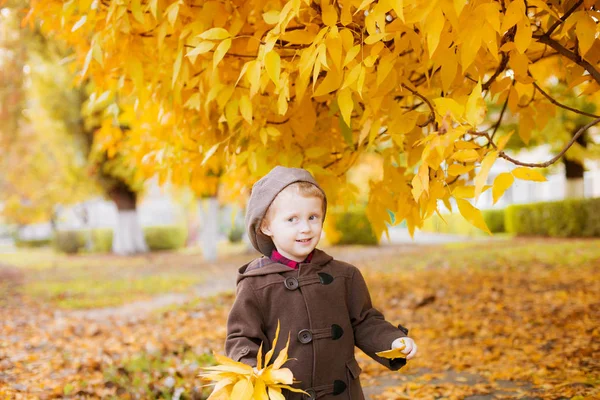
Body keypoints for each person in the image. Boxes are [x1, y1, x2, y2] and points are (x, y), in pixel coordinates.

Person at [225, 166, 417, 400]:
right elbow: (242, 337)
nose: (305, 228)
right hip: (285, 394)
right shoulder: (255, 285)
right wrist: (248, 368)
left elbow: (365, 321)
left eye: (313, 217)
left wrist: (392, 340)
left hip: (341, 393)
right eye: (292, 219)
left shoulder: (344, 276)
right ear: (266, 226)